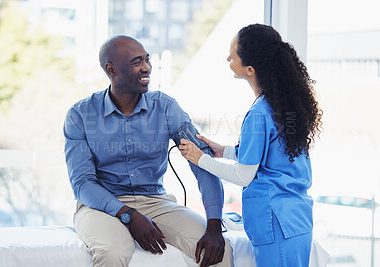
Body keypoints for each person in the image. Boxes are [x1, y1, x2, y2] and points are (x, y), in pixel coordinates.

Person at [63, 35, 233, 267]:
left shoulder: (166, 107)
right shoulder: (80, 115)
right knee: (113, 252)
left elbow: (201, 163)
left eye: (147, 59)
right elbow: (82, 183)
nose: (147, 68)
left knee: (218, 254)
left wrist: (214, 224)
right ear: (111, 69)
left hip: (155, 202)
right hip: (100, 207)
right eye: (136, 62)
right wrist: (127, 215)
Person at [179, 24, 322, 267]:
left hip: (276, 225)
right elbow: (272, 157)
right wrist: (223, 151)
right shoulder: (282, 106)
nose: (227, 58)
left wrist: (199, 158)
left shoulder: (258, 113)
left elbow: (244, 175)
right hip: (296, 222)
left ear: (250, 69)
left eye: (232, 55)